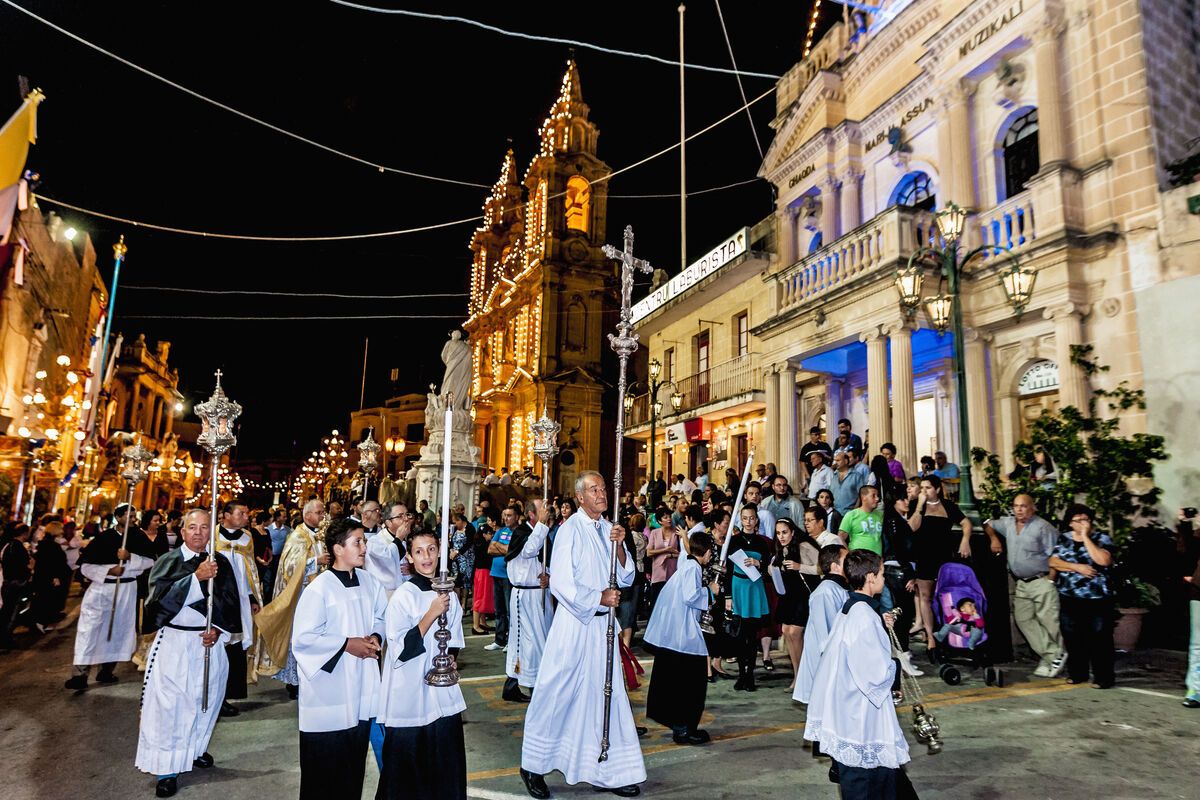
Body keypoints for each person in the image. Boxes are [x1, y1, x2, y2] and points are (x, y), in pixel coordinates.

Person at [520, 471, 644, 799]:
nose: (602, 493)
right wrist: (598, 598)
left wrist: (619, 547)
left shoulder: (609, 529)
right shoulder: (569, 531)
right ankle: (532, 764)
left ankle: (609, 769)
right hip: (574, 625)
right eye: (594, 489)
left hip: (603, 628)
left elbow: (628, 575)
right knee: (556, 691)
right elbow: (561, 583)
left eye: (603, 488)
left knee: (606, 697)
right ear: (580, 498)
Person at [135, 508, 242, 799]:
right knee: (171, 707)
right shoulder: (168, 561)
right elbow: (156, 606)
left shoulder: (220, 562)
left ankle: (193, 750)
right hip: (175, 643)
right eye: (192, 527)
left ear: (212, 532)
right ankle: (167, 768)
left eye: (204, 528)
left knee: (204, 699)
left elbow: (230, 604)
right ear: (182, 532)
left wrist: (218, 630)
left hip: (208, 645)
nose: (198, 533)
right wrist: (195, 578)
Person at [804, 550, 916, 799]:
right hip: (862, 719)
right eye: (883, 574)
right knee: (868, 784)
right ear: (870, 577)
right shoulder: (864, 617)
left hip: (850, 711)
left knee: (886, 781)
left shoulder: (853, 608)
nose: (885, 580)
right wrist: (896, 669)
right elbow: (874, 676)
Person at [289, 518, 386, 799]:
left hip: (361, 687)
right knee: (325, 772)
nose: (365, 547)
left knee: (352, 766)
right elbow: (303, 640)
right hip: (329, 695)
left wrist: (376, 637)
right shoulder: (319, 589)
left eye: (364, 541)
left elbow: (381, 616)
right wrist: (346, 645)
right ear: (338, 548)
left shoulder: (369, 582)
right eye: (358, 542)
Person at [376, 528, 468, 800]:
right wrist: (431, 613)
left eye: (431, 549)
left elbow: (453, 637)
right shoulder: (404, 595)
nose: (426, 557)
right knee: (407, 772)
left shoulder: (446, 589)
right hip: (411, 693)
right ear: (409, 557)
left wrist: (451, 658)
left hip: (441, 691)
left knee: (446, 764)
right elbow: (401, 649)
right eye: (419, 551)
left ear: (439, 551)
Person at [65, 505, 156, 691]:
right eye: (128, 515)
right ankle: (80, 675)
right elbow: (85, 566)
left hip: (126, 591)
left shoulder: (138, 537)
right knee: (89, 630)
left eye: (134, 516)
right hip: (101, 589)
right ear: (117, 516)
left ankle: (106, 670)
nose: (132, 519)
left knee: (118, 630)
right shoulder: (104, 538)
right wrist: (109, 570)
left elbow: (151, 561)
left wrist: (130, 557)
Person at [644, 530, 718, 745]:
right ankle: (685, 729)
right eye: (711, 552)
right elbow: (691, 596)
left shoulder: (687, 563)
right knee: (689, 686)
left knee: (677, 684)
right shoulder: (693, 568)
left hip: (674, 636)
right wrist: (711, 591)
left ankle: (681, 727)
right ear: (706, 552)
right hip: (683, 637)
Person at [982, 494, 1065, 678]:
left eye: (1023, 506)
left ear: (1032, 507)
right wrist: (994, 538)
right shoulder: (1009, 523)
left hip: (1041, 580)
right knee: (1023, 619)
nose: (1019, 509)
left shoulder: (1043, 527)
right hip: (1022, 583)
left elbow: (1057, 554)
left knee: (1050, 622)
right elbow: (987, 523)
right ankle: (1053, 655)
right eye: (1016, 506)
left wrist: (1050, 580)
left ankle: (1056, 657)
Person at [254, 499, 328, 701]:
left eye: (323, 512)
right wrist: (315, 561)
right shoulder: (297, 536)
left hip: (319, 594)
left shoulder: (320, 535)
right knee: (300, 636)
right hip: (300, 595)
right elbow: (289, 566)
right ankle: (294, 682)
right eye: (319, 512)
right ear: (307, 515)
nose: (323, 515)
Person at [1048, 503, 1116, 689]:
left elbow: (1103, 560)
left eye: (1085, 519)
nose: (1082, 523)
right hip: (1069, 595)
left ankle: (1103, 677)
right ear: (1070, 523)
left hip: (1097, 597)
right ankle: (1078, 673)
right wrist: (1076, 567)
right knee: (1072, 636)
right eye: (1077, 520)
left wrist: (1085, 537)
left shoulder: (1101, 538)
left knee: (1099, 637)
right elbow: (1054, 561)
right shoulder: (1064, 539)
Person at [911, 475, 972, 655]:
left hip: (944, 557)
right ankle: (930, 636)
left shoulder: (948, 506)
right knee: (925, 596)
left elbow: (966, 522)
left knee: (946, 597)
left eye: (928, 488)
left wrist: (965, 540)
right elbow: (912, 527)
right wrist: (920, 506)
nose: (924, 491)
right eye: (922, 488)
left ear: (937, 489)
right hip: (924, 557)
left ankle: (950, 633)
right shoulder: (916, 505)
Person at [213, 501, 261, 715]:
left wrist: (252, 596)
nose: (246, 517)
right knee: (217, 646)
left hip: (240, 598)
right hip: (218, 598)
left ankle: (226, 695)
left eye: (246, 513)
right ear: (225, 515)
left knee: (235, 646)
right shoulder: (212, 535)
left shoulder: (247, 537)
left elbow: (249, 568)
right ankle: (214, 695)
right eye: (241, 513)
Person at [503, 500, 552, 703]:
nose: (548, 511)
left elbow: (541, 563)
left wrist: (549, 576)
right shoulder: (523, 532)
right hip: (525, 596)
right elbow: (529, 551)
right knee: (529, 641)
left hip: (539, 593)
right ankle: (532, 686)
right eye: (543, 509)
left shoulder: (542, 531)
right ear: (533, 514)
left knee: (538, 640)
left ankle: (514, 685)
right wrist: (541, 525)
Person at [721, 504, 770, 692]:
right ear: (740, 520)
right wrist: (727, 596)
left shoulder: (762, 543)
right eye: (745, 518)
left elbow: (768, 570)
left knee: (751, 636)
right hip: (738, 588)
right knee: (740, 636)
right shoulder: (733, 542)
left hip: (755, 589)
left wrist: (759, 563)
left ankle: (750, 675)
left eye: (752, 518)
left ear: (756, 520)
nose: (749, 522)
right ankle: (742, 674)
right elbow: (727, 571)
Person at [792, 544, 849, 706]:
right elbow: (826, 636)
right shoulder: (825, 592)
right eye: (846, 559)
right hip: (826, 665)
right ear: (834, 566)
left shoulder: (840, 588)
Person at [773, 518, 820, 691]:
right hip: (789, 595)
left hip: (804, 595)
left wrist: (799, 566)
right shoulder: (781, 549)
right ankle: (798, 674)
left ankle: (804, 676)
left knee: (795, 632)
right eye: (778, 533)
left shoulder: (804, 546)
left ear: (793, 532)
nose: (781, 536)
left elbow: (822, 567)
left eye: (784, 532)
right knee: (786, 631)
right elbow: (773, 566)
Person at [484, 507, 518, 652]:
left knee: (510, 611)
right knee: (499, 610)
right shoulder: (500, 531)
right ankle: (499, 639)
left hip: (508, 576)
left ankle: (511, 640)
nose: (506, 518)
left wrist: (499, 545)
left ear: (517, 517)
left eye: (509, 515)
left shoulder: (518, 532)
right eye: (504, 515)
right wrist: (503, 548)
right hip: (496, 573)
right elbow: (490, 549)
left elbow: (512, 551)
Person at [32, 521, 71, 633]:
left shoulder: (46, 544)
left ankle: (41, 622)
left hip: (43, 576)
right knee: (45, 600)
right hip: (48, 577)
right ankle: (40, 623)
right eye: (60, 529)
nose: (62, 531)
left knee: (44, 599)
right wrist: (56, 576)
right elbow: (53, 563)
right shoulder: (51, 545)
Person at [366, 502, 412, 597]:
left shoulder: (403, 541)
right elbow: (388, 561)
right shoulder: (375, 542)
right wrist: (398, 538)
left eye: (407, 514)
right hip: (384, 595)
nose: (406, 519)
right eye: (400, 516)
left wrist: (412, 569)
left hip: (404, 593)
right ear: (388, 522)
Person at [0, 523, 33, 647]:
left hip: (8, 581)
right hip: (17, 581)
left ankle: (5, 636)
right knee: (12, 611)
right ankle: (5, 638)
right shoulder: (17, 547)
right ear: (24, 533)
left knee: (7, 610)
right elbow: (27, 564)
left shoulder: (8, 545)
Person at [646, 507, 680, 610]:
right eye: (665, 517)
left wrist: (670, 555)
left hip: (673, 571)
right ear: (660, 521)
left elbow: (682, 554)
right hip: (658, 573)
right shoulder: (654, 533)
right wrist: (666, 550)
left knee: (671, 604)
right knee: (655, 603)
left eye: (669, 517)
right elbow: (649, 552)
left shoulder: (677, 532)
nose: (669, 519)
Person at [471, 508, 498, 635]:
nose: (491, 536)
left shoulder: (479, 543)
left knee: (482, 597)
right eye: (490, 533)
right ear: (484, 534)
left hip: (482, 572)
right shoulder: (483, 545)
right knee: (479, 598)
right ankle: (475, 625)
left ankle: (482, 622)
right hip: (482, 572)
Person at [830, 451, 867, 515]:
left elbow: (861, 495)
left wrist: (854, 510)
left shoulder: (856, 476)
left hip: (850, 514)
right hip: (834, 514)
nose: (835, 463)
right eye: (835, 461)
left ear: (846, 461)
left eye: (838, 460)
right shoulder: (834, 476)